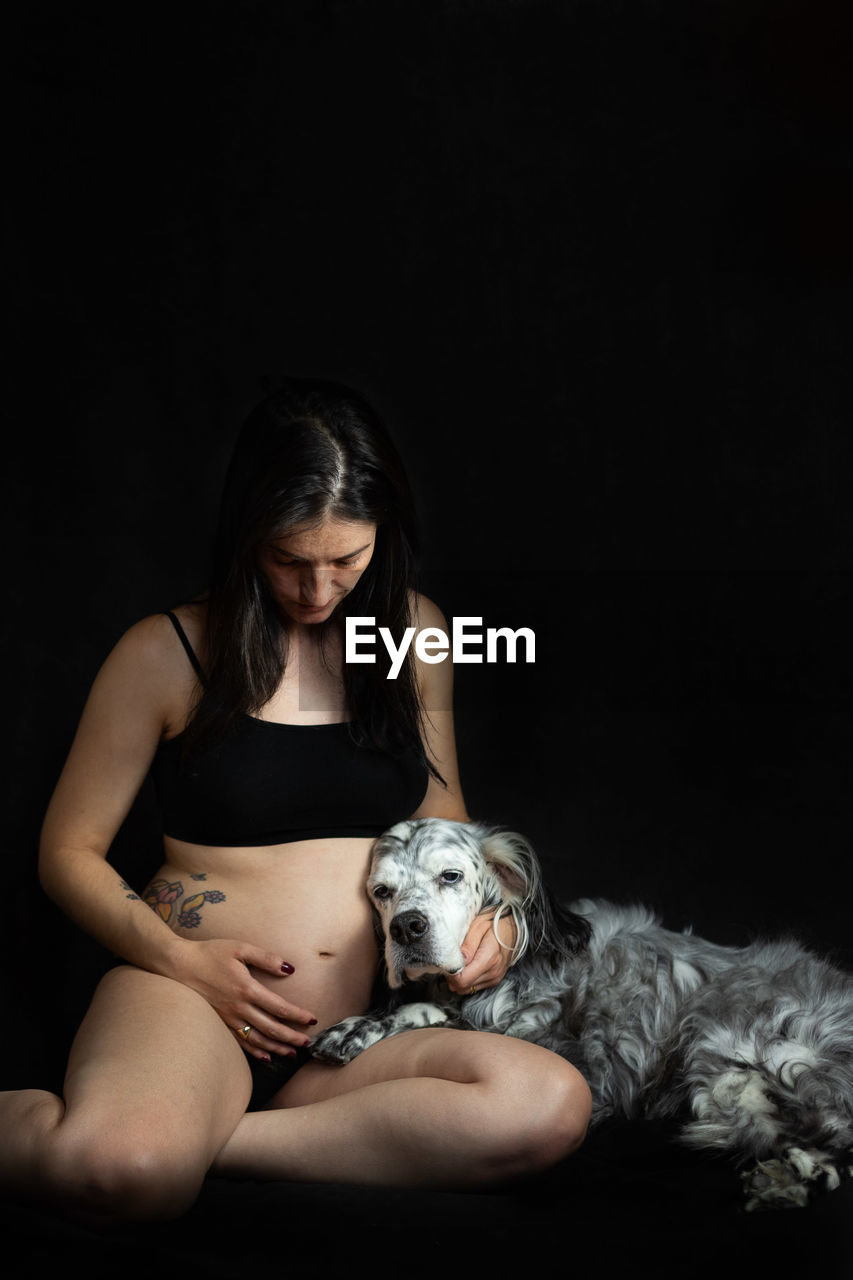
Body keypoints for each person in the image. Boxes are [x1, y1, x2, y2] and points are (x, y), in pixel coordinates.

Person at [1, 378, 591, 1224]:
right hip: (193, 1002)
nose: (318, 592)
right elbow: (66, 853)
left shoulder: (414, 635)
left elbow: (446, 815)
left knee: (546, 1107)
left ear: (382, 539)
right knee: (122, 1171)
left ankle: (204, 1138)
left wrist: (496, 919)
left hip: (360, 1031)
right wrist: (181, 960)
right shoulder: (164, 654)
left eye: (344, 562)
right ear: (247, 537)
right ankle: (158, 1133)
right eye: (289, 560)